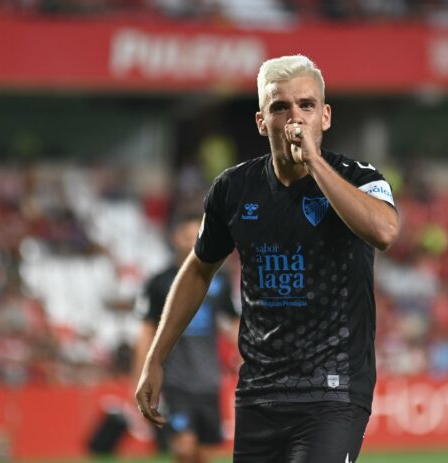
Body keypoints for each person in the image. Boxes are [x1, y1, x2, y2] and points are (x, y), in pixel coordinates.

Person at [135, 54, 400, 462]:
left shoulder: (360, 178)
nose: (295, 118)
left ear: (325, 117)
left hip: (334, 389)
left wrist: (314, 162)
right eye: (280, 107)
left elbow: (384, 232)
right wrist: (156, 357)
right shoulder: (234, 189)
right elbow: (197, 269)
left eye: (306, 105)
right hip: (260, 392)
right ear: (262, 122)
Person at [133, 211, 239, 463]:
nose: (192, 241)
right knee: (185, 448)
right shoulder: (159, 283)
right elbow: (147, 330)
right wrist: (141, 375)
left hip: (208, 381)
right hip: (175, 382)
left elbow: (232, 322)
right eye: (187, 235)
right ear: (175, 238)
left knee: (202, 453)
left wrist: (251, 355)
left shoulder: (219, 280)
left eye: (197, 235)